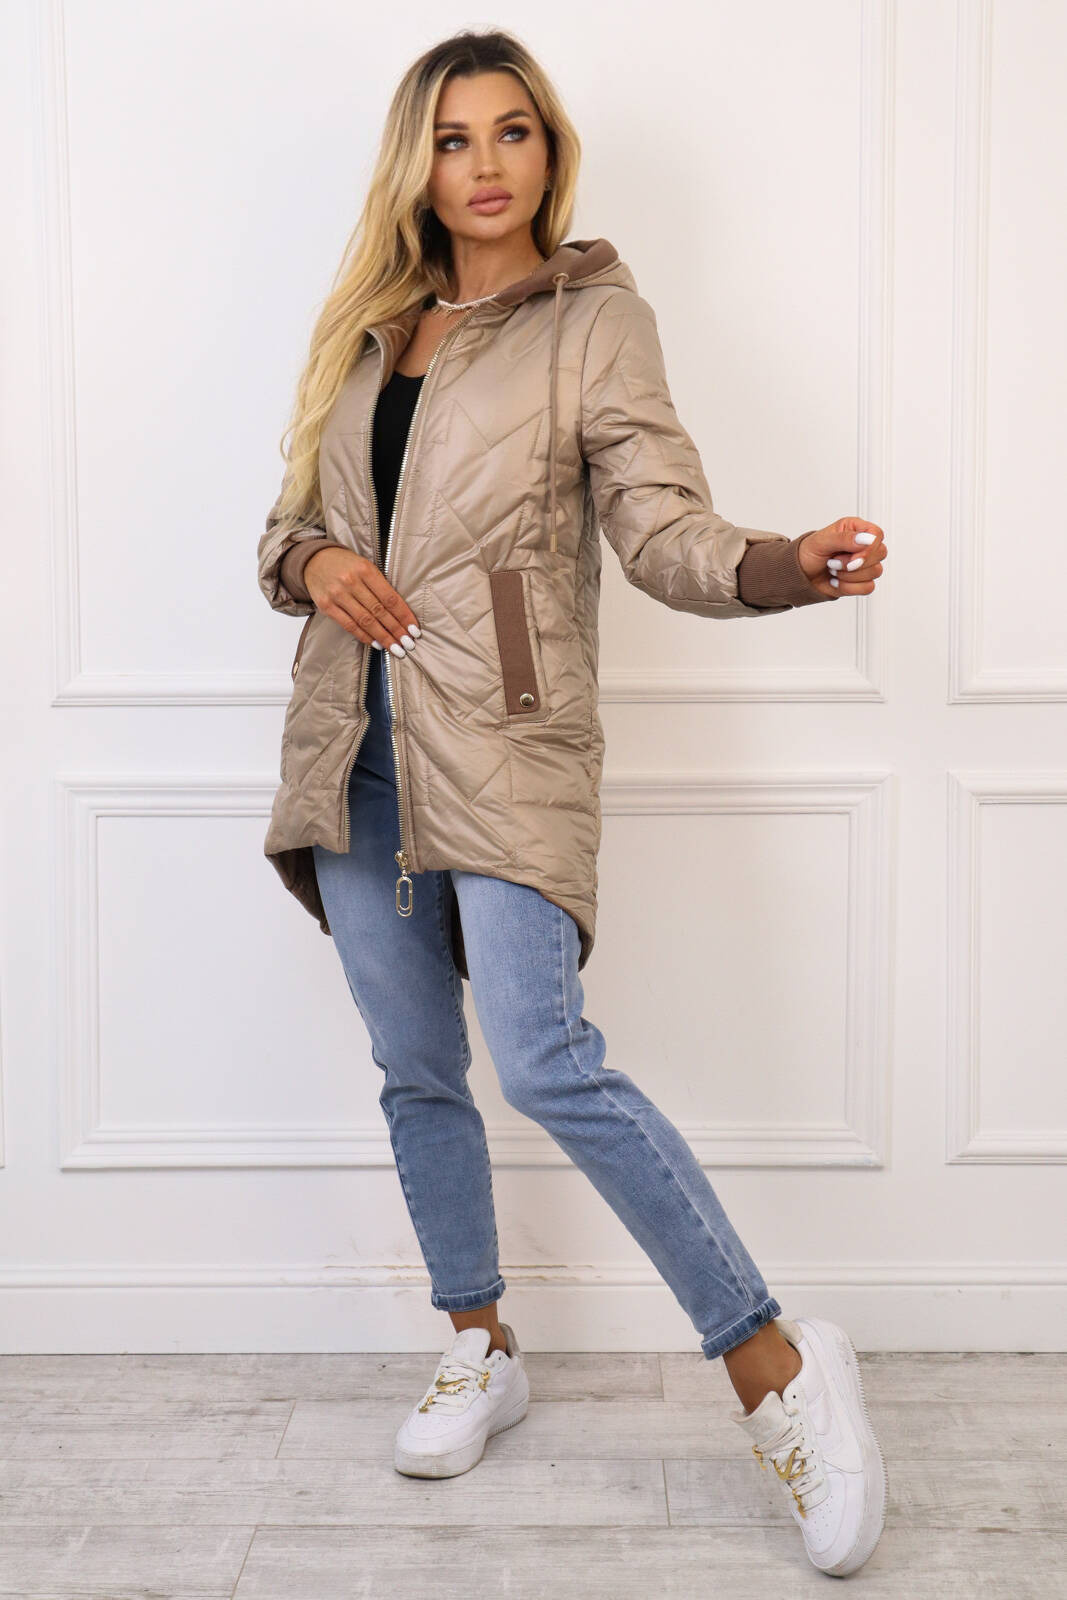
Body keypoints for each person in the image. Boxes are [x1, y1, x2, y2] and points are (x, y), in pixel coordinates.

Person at [256, 28, 888, 1577]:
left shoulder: (595, 324)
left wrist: (781, 565)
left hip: (509, 742)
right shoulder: (368, 332)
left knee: (546, 1062)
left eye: (512, 132)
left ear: (550, 151)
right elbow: (286, 526)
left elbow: (662, 528)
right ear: (419, 165)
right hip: (354, 749)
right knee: (418, 1067)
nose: (485, 164)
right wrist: (315, 561)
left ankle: (778, 1370)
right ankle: (479, 1341)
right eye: (454, 138)